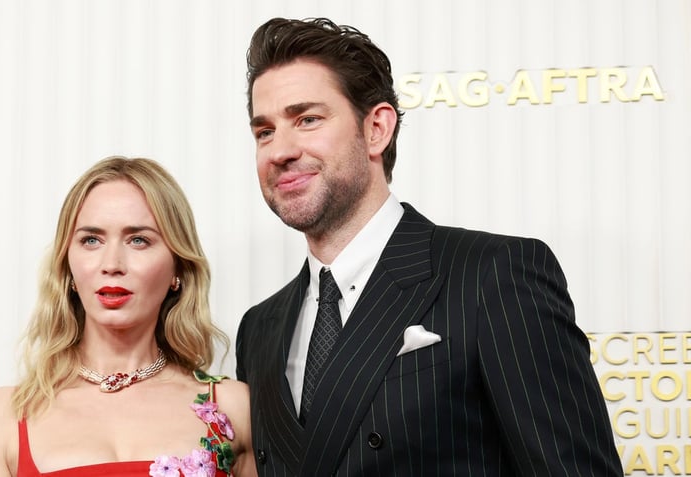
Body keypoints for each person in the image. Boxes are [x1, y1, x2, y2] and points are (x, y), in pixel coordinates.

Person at [235, 17, 622, 476]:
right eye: (265, 132)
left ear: (377, 128)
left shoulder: (492, 276)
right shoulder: (259, 328)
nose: (280, 150)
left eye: (308, 119)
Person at [0, 156, 255, 476]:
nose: (112, 263)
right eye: (91, 240)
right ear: (68, 267)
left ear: (178, 267)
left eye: (138, 240)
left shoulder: (233, 406)